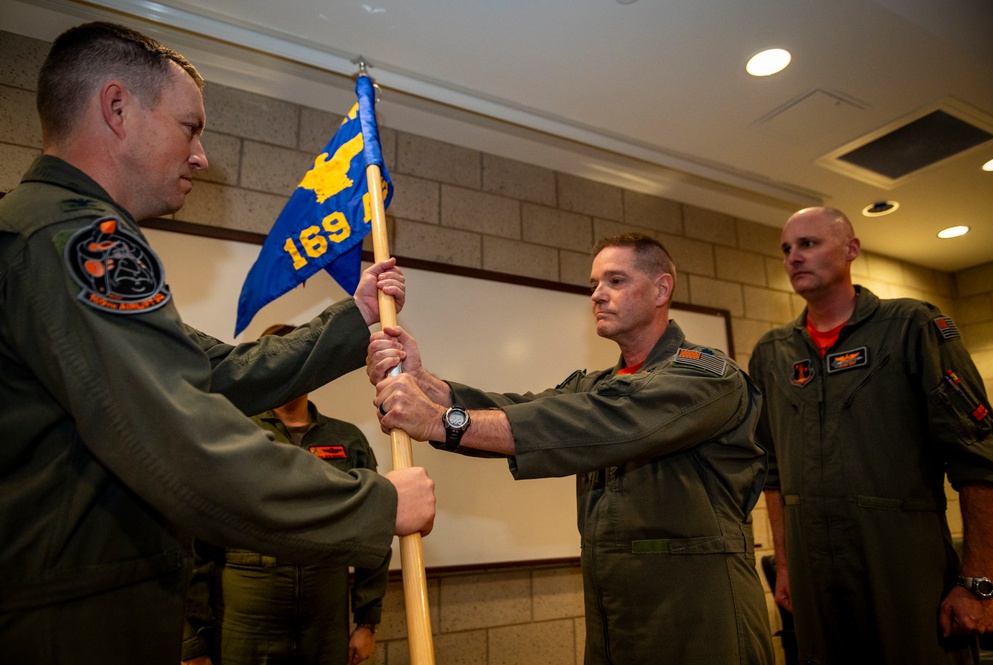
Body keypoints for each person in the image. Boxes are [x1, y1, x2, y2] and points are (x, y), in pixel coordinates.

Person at [0, 22, 435, 664]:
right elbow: (184, 441)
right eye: (190, 127)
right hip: (66, 623)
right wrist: (372, 502)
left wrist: (355, 317)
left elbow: (219, 373)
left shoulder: (46, 233)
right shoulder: (79, 243)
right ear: (117, 109)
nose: (201, 155)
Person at [367, 233, 774, 664]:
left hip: (702, 621)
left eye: (615, 280)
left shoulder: (707, 375)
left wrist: (436, 421)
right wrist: (425, 383)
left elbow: (605, 423)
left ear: (661, 289)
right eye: (595, 284)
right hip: (616, 619)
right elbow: (519, 410)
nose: (598, 295)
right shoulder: (596, 385)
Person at [749, 206, 993, 664]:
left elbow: (979, 458)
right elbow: (772, 474)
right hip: (815, 583)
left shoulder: (911, 327)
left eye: (808, 244)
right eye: (787, 249)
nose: (793, 258)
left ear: (851, 249)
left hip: (905, 571)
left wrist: (978, 585)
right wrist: (785, 565)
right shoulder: (772, 353)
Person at [183, 325, 390, 665]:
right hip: (244, 620)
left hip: (325, 623)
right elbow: (196, 538)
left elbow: (376, 526)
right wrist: (193, 640)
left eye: (301, 361)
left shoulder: (348, 439)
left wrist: (367, 621)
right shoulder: (233, 432)